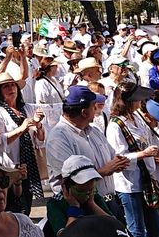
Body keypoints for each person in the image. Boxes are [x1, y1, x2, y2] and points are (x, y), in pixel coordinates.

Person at [104, 83, 159, 237]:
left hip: (146, 180)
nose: (141, 102)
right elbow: (119, 157)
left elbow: (144, 143)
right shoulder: (115, 125)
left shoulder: (137, 118)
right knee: (137, 231)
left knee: (156, 229)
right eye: (138, 99)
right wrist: (144, 154)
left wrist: (154, 153)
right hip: (129, 184)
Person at [47, 86, 128, 222]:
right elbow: (69, 180)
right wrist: (105, 170)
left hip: (109, 202)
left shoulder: (94, 130)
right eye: (93, 106)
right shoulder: (58, 137)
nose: (96, 110)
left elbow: (113, 156)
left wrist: (119, 162)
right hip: (83, 209)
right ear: (84, 112)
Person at [0, 73, 45, 213]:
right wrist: (21, 129)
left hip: (28, 164)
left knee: (26, 203)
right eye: (6, 87)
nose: (11, 89)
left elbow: (40, 140)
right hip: (9, 166)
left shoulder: (27, 109)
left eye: (13, 85)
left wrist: (38, 125)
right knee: (11, 205)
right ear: (0, 92)